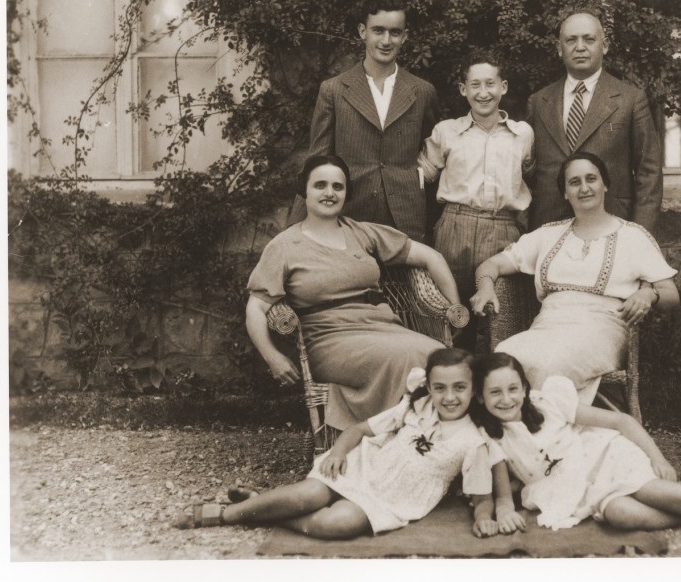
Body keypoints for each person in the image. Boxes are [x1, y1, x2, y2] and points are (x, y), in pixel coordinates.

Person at [176, 350, 506, 539]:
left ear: (474, 391)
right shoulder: (415, 407)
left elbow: (482, 498)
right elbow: (360, 430)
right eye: (440, 388)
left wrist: (484, 518)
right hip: (365, 467)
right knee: (310, 494)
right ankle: (227, 514)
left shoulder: (474, 441)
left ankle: (260, 507)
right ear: (430, 388)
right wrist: (337, 452)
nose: (449, 397)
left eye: (459, 388)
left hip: (393, 500)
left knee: (334, 523)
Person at [246, 154, 462, 431]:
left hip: (383, 327)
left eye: (338, 187)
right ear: (305, 191)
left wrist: (455, 309)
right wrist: (272, 356)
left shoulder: (361, 232)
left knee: (438, 356)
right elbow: (256, 307)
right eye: (320, 185)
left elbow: (432, 258)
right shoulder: (285, 245)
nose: (329, 193)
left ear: (347, 193)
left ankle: (433, 440)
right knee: (406, 356)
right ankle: (388, 439)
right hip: (328, 339)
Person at [473, 353, 681, 537]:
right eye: (495, 393)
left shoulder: (548, 404)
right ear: (480, 397)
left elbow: (621, 421)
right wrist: (502, 514)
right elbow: (503, 497)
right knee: (621, 515)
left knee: (644, 488)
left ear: (525, 388)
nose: (506, 399)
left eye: (513, 389)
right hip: (572, 488)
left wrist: (659, 458)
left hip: (604, 455)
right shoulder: (492, 439)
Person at [470, 152, 678, 404]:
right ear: (565, 193)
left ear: (605, 184)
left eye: (591, 179)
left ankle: (548, 433)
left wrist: (649, 293)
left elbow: (671, 296)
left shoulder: (632, 236)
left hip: (602, 329)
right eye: (574, 182)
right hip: (548, 327)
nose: (584, 188)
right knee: (504, 357)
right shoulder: (548, 235)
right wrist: (485, 287)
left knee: (552, 363)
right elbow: (492, 264)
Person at [287, 0, 440, 241]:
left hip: (406, 221)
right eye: (378, 30)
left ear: (405, 36)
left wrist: (433, 225)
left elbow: (434, 158)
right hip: (349, 218)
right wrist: (295, 232)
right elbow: (316, 162)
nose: (386, 40)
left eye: (395, 32)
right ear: (362, 32)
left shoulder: (422, 91)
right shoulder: (334, 89)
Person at [418, 51, 534, 350]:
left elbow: (531, 175)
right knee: (453, 318)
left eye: (491, 84)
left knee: (501, 321)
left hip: (503, 230)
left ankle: (498, 390)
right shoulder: (446, 132)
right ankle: (456, 387)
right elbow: (421, 177)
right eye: (475, 85)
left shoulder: (522, 134)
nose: (483, 93)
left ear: (503, 87)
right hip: (454, 227)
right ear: (463, 89)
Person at [526, 9, 663, 233]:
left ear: (604, 45)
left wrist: (640, 235)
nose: (580, 47)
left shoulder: (629, 100)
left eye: (589, 39)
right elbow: (528, 174)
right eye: (571, 40)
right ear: (559, 48)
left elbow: (649, 174)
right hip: (549, 228)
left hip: (613, 224)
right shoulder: (540, 101)